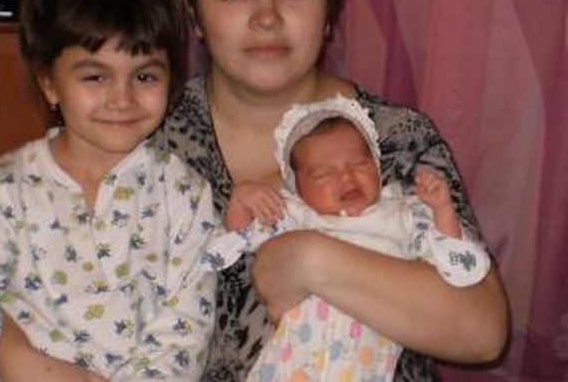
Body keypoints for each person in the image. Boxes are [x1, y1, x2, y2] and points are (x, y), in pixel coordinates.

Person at [0, 0, 509, 382]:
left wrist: (308, 259)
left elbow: (482, 332)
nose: (266, 17)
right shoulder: (138, 133)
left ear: (330, 9)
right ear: (194, 12)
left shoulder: (394, 137)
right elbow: (20, 307)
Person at [0, 0, 219, 382]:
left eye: (145, 76)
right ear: (49, 84)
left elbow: (183, 334)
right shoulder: (0, 191)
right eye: (95, 76)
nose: (122, 98)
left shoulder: (184, 194)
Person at [203, 95, 491, 381]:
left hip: (365, 366)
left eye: (359, 164)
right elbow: (225, 252)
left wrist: (443, 211)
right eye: (323, 175)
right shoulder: (297, 216)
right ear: (297, 189)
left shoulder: (402, 213)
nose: (346, 177)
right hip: (291, 362)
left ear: (377, 166)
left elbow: (459, 268)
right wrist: (241, 202)